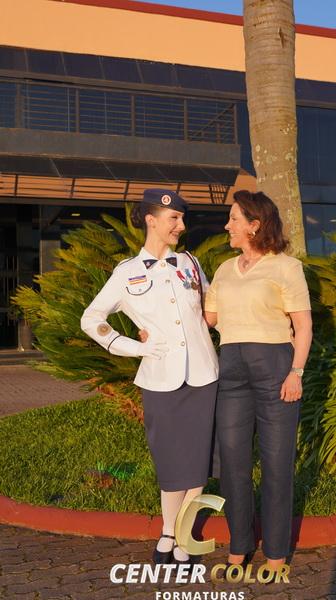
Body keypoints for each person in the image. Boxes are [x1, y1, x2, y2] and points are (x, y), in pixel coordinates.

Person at [81, 188, 218, 565]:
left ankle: (184, 535)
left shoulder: (190, 263)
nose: (181, 226)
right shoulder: (126, 273)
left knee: (198, 459)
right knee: (170, 458)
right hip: (160, 377)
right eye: (175, 218)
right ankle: (168, 530)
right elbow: (91, 319)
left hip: (204, 374)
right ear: (151, 220)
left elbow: (212, 311)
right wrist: (133, 346)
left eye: (182, 218)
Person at [204, 190, 312, 571]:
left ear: (255, 225)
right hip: (231, 371)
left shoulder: (286, 267)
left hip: (276, 369)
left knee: (277, 464)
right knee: (233, 463)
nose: (227, 226)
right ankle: (240, 543)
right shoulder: (223, 270)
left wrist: (296, 372)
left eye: (233, 219)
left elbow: (303, 325)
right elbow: (207, 320)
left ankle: (277, 552)